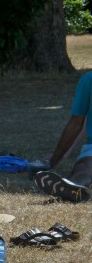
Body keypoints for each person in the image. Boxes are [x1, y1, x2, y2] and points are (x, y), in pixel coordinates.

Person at [34, 71, 92, 203]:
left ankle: (76, 185)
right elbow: (77, 125)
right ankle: (75, 188)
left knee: (85, 169)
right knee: (84, 168)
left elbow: (76, 124)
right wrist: (57, 158)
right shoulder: (88, 80)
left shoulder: (89, 79)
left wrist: (53, 160)